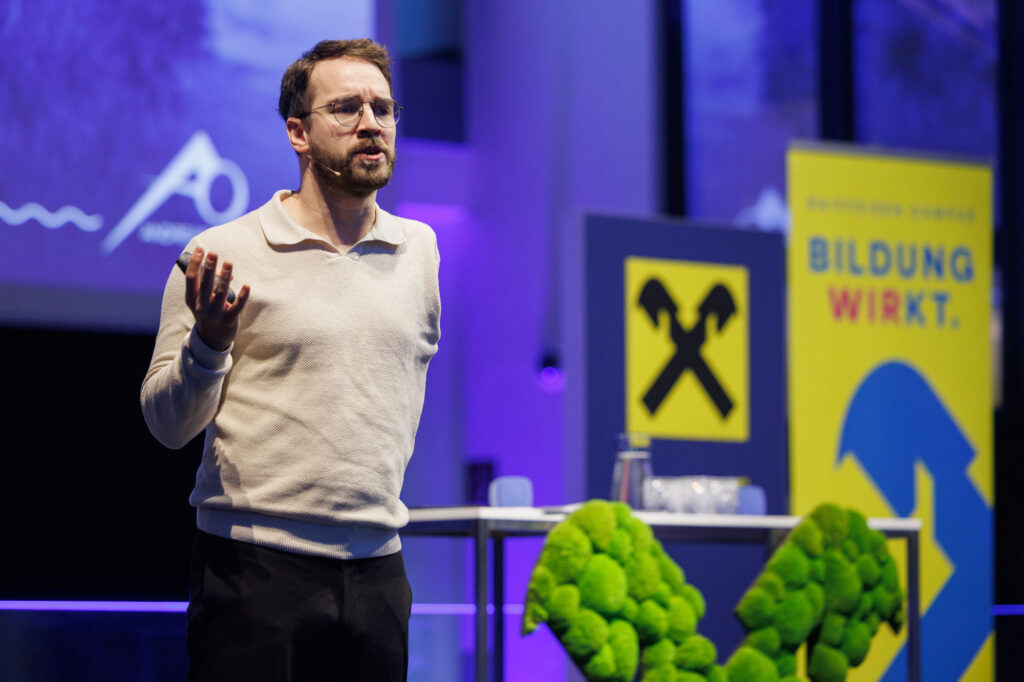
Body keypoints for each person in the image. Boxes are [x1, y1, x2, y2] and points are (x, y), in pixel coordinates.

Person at [141, 38, 440, 682]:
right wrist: (210, 343)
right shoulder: (220, 252)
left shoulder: (420, 251)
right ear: (298, 133)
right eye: (347, 109)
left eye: (383, 109)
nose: (371, 124)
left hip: (380, 572)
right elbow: (167, 424)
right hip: (254, 572)